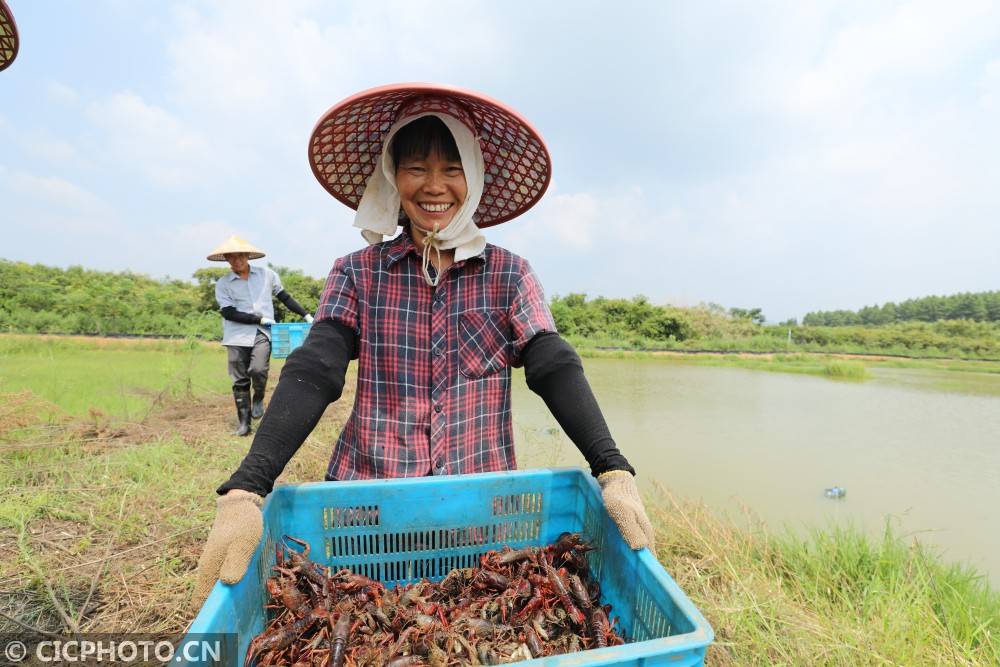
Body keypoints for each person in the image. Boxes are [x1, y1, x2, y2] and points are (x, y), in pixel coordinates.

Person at [194, 84, 655, 601]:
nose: (434, 186)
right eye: (417, 167)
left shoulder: (509, 274)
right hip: (368, 505)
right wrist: (248, 486)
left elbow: (551, 362)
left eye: (452, 169)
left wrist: (612, 468)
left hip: (478, 511)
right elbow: (317, 365)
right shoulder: (357, 273)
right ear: (394, 177)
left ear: (473, 179)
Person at [207, 236, 313, 436]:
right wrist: (258, 319)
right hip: (236, 335)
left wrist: (305, 314)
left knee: (258, 369)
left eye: (240, 256)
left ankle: (259, 397)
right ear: (227, 260)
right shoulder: (223, 283)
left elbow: (284, 297)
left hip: (262, 333)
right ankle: (244, 425)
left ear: (248, 256)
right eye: (232, 257)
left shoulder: (267, 275)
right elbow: (228, 312)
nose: (237, 261)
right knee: (239, 380)